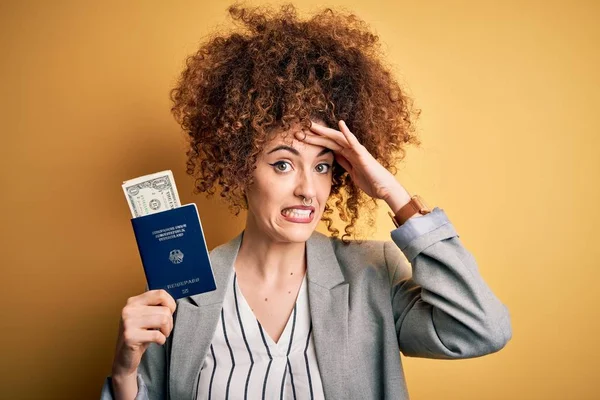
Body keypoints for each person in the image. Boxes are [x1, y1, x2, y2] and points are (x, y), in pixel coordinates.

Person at [100, 3, 512, 399]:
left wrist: (394, 195)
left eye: (323, 167)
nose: (307, 189)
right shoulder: (184, 289)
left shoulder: (372, 275)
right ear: (240, 166)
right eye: (282, 164)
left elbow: (481, 329)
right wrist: (124, 373)